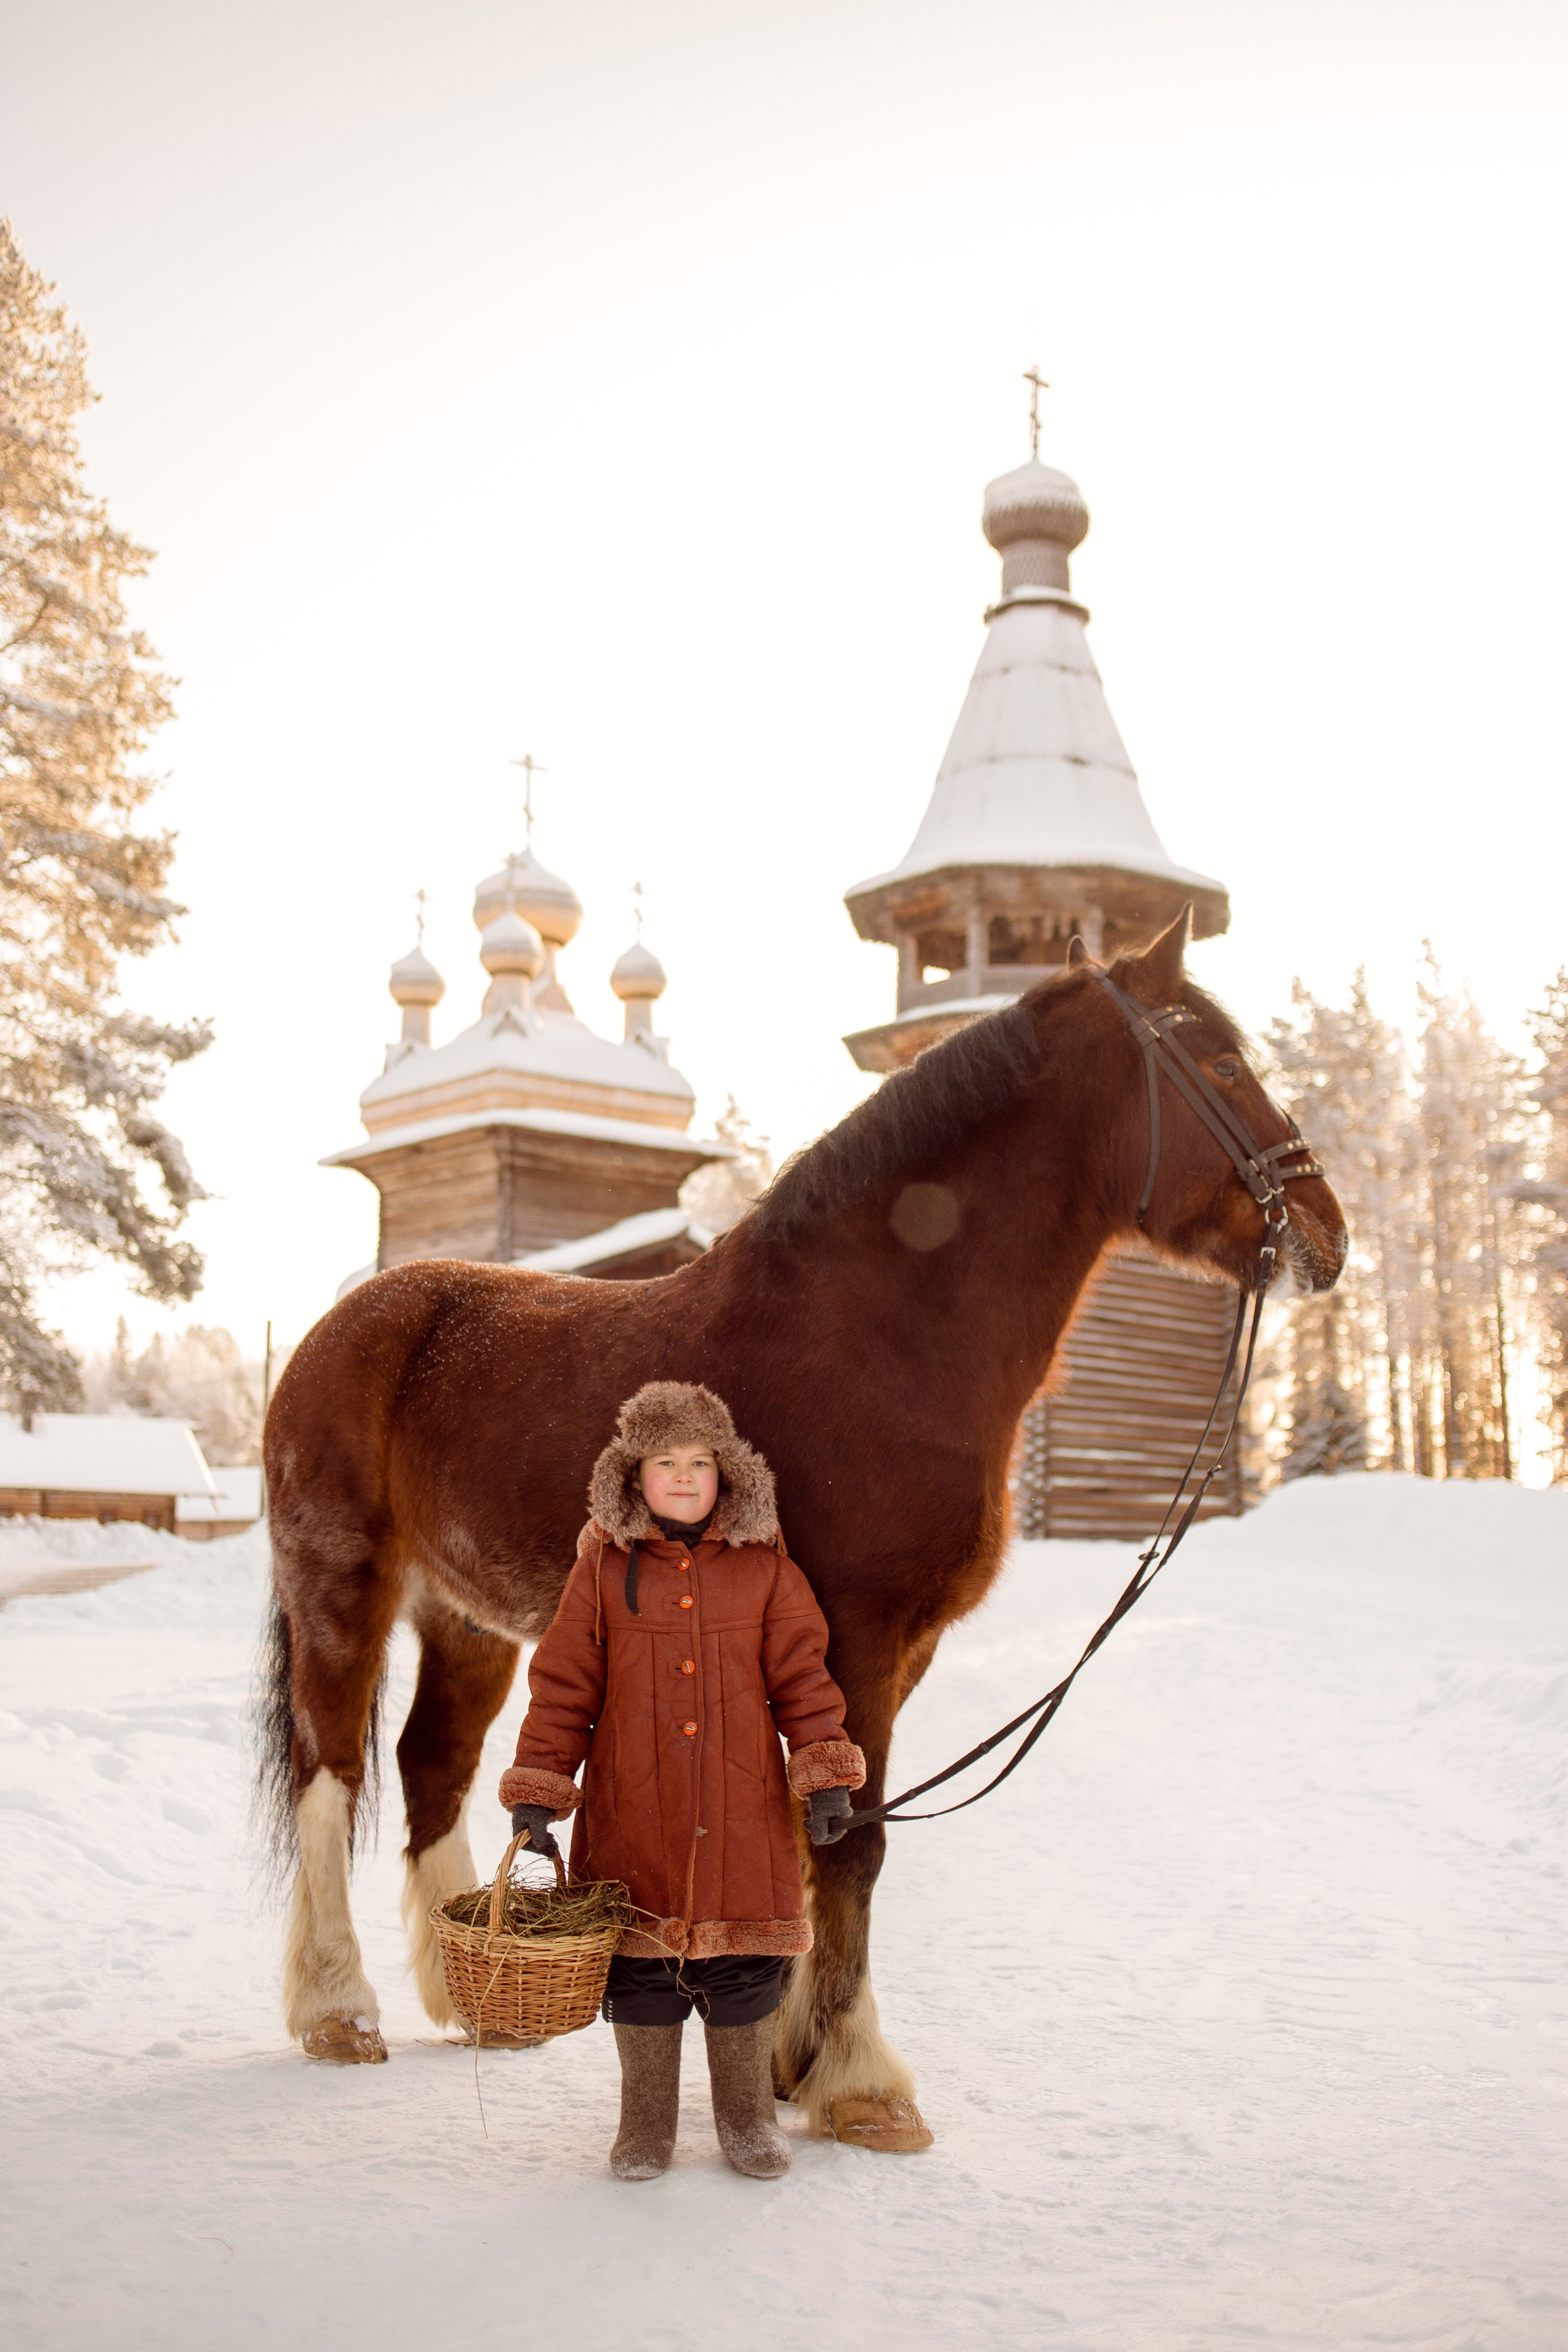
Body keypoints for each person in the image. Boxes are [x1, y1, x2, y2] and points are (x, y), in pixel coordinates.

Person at [499, 1380, 865, 2180]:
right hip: (634, 1811)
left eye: (700, 1462)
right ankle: (644, 2124)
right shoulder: (602, 1572)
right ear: (634, 1477)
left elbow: (804, 1678)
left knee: (745, 1973)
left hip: (743, 1813)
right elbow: (563, 1686)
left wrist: (825, 1774)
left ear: (726, 1472)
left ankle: (747, 2118)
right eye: (665, 1463)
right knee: (642, 1976)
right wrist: (539, 1787)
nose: (685, 1477)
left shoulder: (766, 1570)